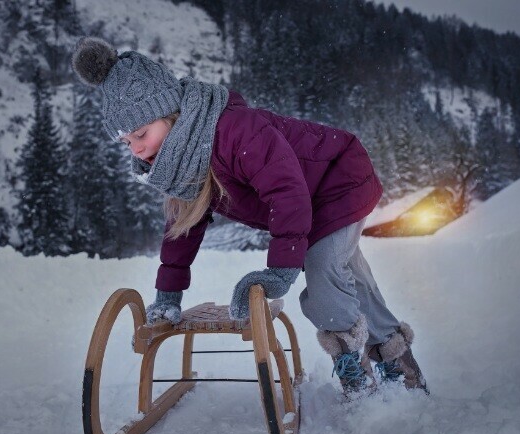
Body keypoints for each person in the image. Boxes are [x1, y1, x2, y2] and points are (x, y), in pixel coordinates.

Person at [71, 37, 428, 396]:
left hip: (339, 181)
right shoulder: (182, 162)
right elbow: (183, 226)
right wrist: (168, 295)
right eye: (126, 142)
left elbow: (286, 192)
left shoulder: (234, 130)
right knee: (347, 276)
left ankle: (360, 383)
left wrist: (279, 272)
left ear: (170, 114)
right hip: (308, 199)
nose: (136, 149)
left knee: (324, 272)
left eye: (141, 134)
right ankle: (401, 366)